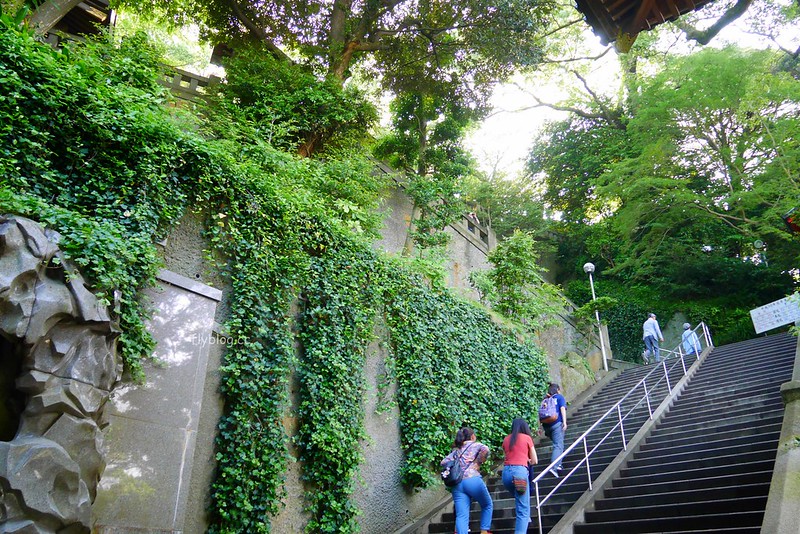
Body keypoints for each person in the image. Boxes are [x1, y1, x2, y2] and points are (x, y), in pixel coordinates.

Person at [440, 427, 493, 534]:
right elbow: (486, 449)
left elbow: (443, 462)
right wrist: (478, 462)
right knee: (487, 505)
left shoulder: (456, 450)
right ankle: (484, 531)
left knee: (461, 515)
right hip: (472, 480)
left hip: (458, 484)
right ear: (472, 436)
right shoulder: (475, 444)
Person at [501, 418, 538, 534]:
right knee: (523, 510)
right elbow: (535, 460)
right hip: (520, 474)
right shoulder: (527, 438)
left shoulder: (506, 439)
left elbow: (506, 458)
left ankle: (525, 520)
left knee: (520, 500)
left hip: (506, 474)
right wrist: (527, 460)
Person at [541, 383, 567, 477]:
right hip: (556, 424)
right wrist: (564, 422)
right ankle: (554, 467)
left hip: (547, 426)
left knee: (558, 443)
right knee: (558, 445)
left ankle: (559, 464)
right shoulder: (559, 397)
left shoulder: (546, 399)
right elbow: (562, 408)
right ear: (558, 390)